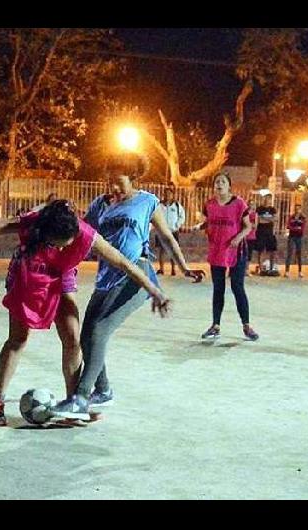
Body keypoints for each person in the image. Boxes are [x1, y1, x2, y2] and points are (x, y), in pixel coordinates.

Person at [0, 200, 173, 426]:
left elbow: (124, 263)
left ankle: (75, 404)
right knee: (18, 339)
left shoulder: (86, 234)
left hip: (62, 277)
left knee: (72, 339)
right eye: (55, 245)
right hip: (28, 276)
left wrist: (155, 291)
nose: (60, 250)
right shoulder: (33, 224)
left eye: (66, 245)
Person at [50, 152, 205, 421]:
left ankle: (81, 397)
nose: (114, 187)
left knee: (99, 332)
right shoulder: (101, 204)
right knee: (86, 336)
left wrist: (184, 267)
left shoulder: (147, 202)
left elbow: (167, 237)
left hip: (137, 275)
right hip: (107, 276)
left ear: (133, 178)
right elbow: (81, 235)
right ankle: (104, 389)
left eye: (119, 181)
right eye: (110, 181)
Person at [192, 172, 259, 341]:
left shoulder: (238, 203)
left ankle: (246, 326)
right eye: (216, 182)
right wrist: (199, 226)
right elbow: (208, 222)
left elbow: (248, 226)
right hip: (217, 250)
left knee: (237, 287)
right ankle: (215, 325)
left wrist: (237, 238)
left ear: (229, 185)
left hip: (236, 250)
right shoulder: (210, 204)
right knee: (218, 289)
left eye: (222, 181)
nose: (219, 184)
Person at [155, 188, 186, 276]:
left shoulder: (177, 205)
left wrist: (177, 225)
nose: (168, 195)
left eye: (169, 194)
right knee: (162, 250)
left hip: (173, 231)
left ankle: (173, 269)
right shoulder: (159, 205)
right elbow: (155, 215)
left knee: (173, 250)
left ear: (172, 195)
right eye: (166, 193)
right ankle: (161, 269)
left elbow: (182, 216)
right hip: (161, 230)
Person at [254, 195, 278, 275]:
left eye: (269, 199)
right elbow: (259, 220)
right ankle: (261, 269)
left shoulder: (273, 209)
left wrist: (265, 218)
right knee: (261, 251)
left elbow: (275, 219)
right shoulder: (260, 209)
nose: (267, 201)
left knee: (272, 251)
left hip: (270, 232)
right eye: (266, 199)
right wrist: (270, 219)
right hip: (261, 232)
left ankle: (271, 269)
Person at [284, 204, 306, 278]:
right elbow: (288, 226)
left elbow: (303, 228)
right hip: (291, 236)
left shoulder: (303, 218)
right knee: (289, 253)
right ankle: (287, 271)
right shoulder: (291, 217)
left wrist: (294, 228)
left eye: (299, 209)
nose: (297, 210)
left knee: (299, 254)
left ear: (300, 209)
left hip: (299, 237)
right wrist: (296, 228)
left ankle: (300, 271)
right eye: (296, 208)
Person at [244, 198, 258, 276]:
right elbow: (243, 223)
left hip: (252, 236)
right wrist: (249, 224)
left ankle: (247, 269)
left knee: (249, 254)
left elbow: (255, 226)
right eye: (250, 203)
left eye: (252, 204)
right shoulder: (245, 213)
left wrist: (248, 224)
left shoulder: (255, 214)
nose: (251, 205)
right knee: (243, 253)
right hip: (244, 236)